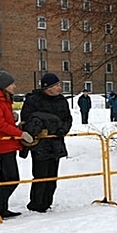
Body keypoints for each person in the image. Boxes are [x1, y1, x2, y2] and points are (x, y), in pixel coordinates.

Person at [0, 71, 34, 218]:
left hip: (8, 143)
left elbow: (4, 120)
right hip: (2, 144)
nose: (14, 86)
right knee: (12, 178)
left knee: (6, 178)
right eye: (12, 84)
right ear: (4, 86)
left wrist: (14, 117)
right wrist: (21, 134)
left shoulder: (4, 99)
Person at [20, 73, 72, 213]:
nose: (60, 88)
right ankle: (37, 204)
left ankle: (47, 202)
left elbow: (68, 119)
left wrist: (63, 130)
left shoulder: (62, 101)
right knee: (40, 175)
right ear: (47, 87)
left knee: (52, 176)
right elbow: (27, 120)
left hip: (56, 142)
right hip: (40, 144)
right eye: (57, 85)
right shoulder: (33, 100)